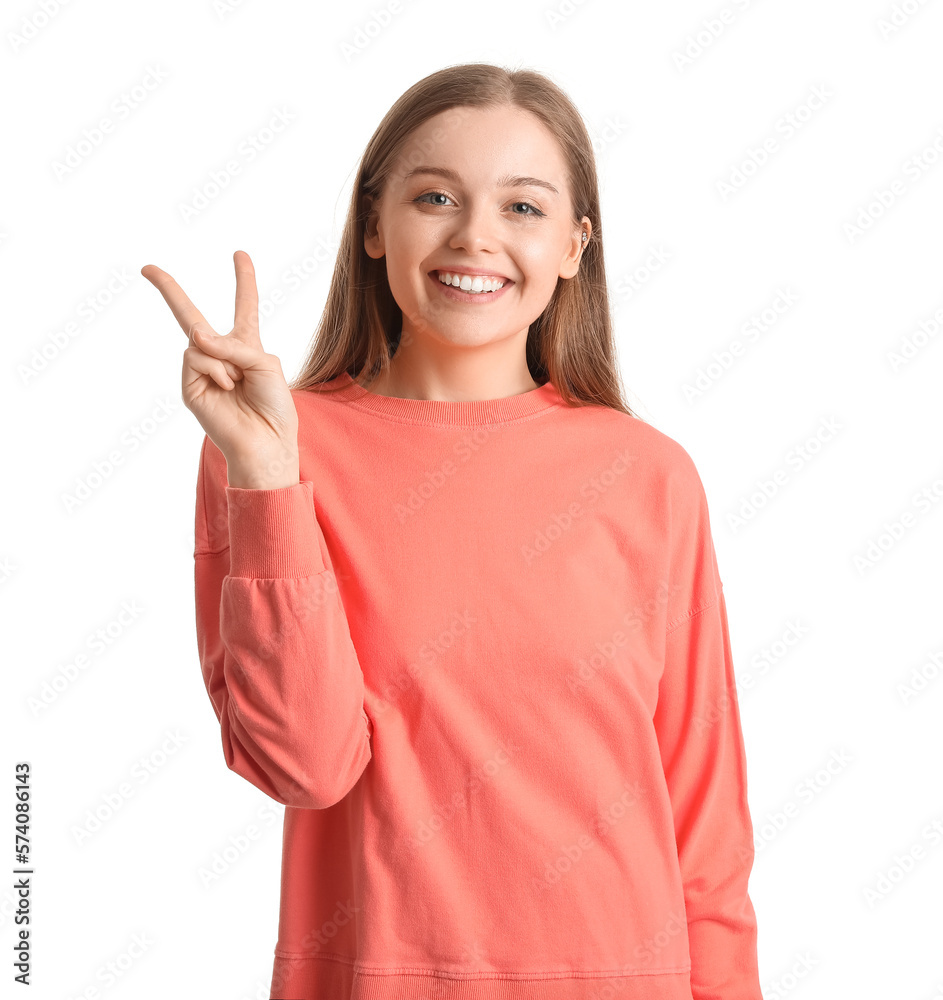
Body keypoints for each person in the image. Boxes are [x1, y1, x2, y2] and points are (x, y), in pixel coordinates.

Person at [142, 63, 763, 1000]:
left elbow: (704, 820)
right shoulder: (276, 448)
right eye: (434, 196)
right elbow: (302, 766)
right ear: (371, 226)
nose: (475, 236)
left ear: (572, 246)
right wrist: (269, 479)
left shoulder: (647, 476)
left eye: (522, 207)